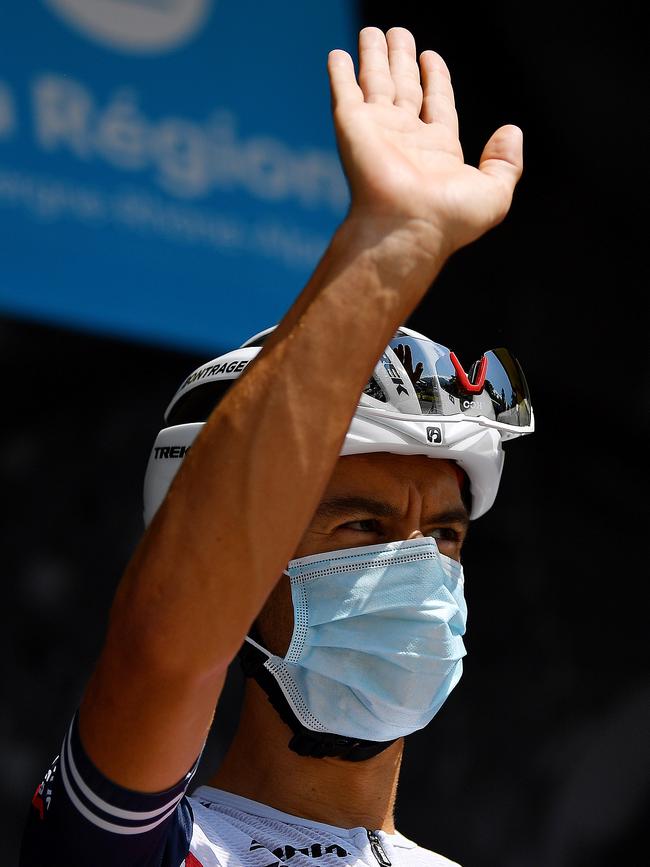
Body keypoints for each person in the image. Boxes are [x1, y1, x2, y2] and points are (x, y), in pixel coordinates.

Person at [19, 25, 532, 867]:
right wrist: (389, 247)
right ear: (241, 582)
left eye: (444, 535)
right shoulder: (146, 847)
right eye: (362, 528)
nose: (422, 571)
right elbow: (162, 650)